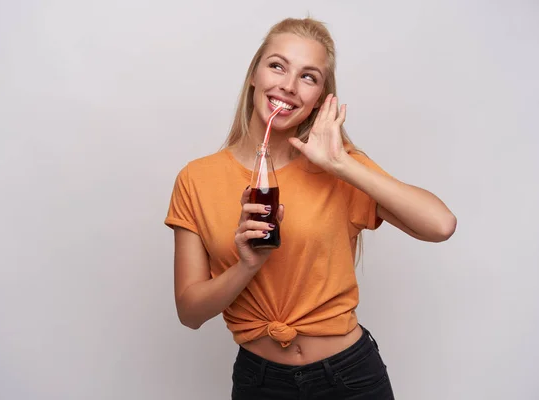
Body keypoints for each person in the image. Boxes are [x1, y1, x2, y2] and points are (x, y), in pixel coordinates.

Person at [164, 16, 456, 400]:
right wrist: (248, 264)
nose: (288, 85)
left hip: (350, 378)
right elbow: (190, 313)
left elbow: (440, 225)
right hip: (259, 384)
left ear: (320, 97)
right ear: (254, 74)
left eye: (308, 76)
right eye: (277, 66)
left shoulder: (338, 168)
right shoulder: (196, 179)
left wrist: (340, 164)